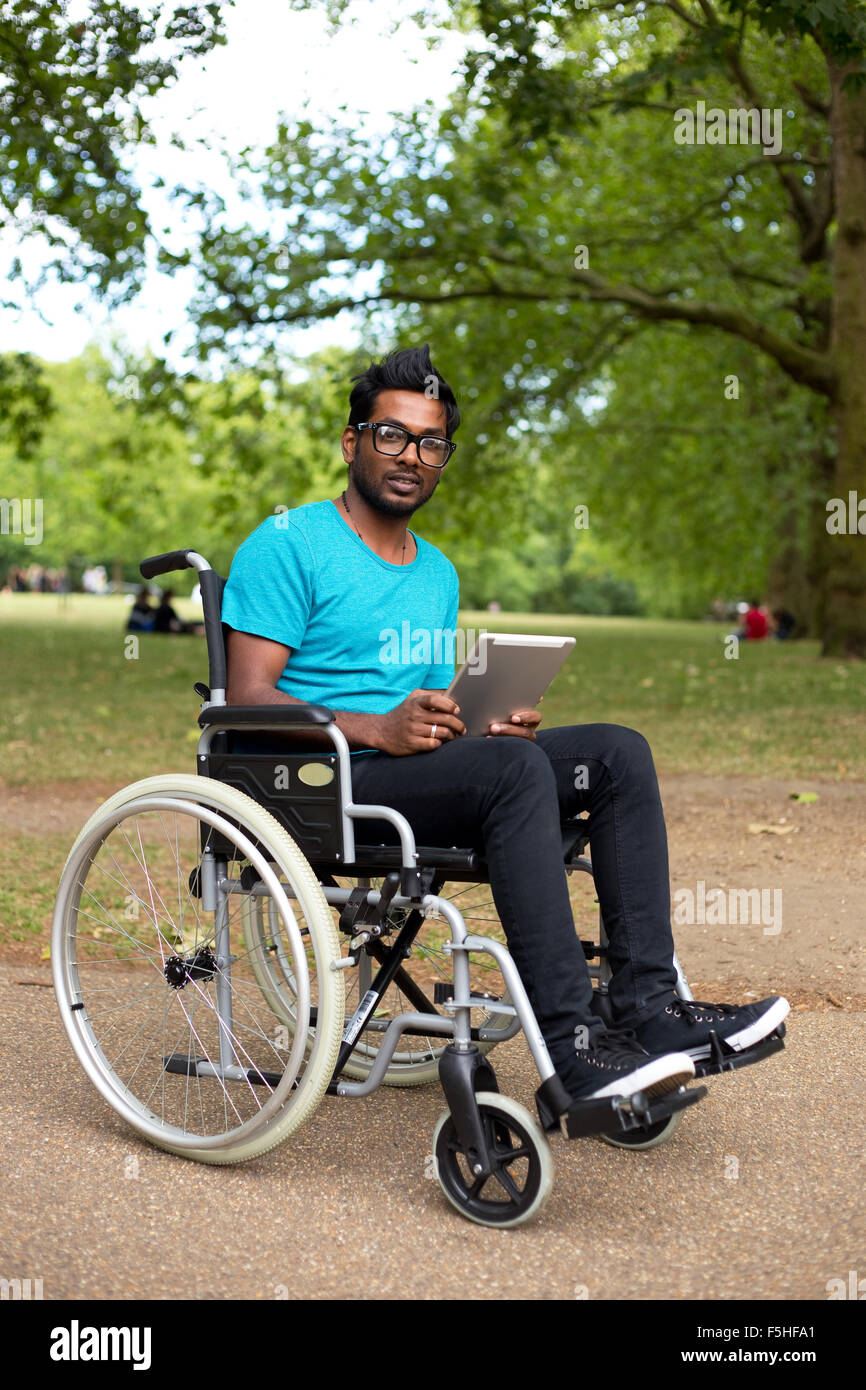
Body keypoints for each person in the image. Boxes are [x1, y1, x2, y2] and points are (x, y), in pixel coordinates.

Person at [221, 345, 789, 1106]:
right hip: (323, 779)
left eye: (430, 444)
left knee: (616, 752)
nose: (410, 457)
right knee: (515, 773)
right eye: (391, 435)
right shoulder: (289, 543)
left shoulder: (437, 573)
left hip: (406, 773)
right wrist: (377, 728)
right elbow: (242, 702)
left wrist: (483, 726)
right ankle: (575, 1050)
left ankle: (648, 1010)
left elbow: (428, 711)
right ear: (352, 441)